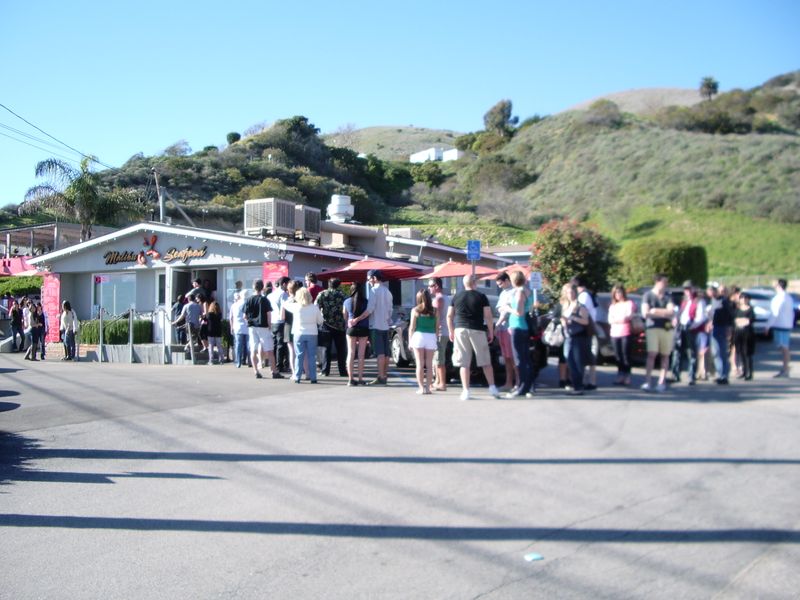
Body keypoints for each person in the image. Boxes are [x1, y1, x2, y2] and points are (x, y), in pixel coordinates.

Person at [447, 275, 499, 401]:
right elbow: (488, 316)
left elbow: (449, 316)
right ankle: (492, 388)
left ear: (464, 283)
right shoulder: (481, 296)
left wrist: (451, 331)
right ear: (474, 283)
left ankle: (466, 391)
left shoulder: (456, 296)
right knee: (485, 360)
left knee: (464, 362)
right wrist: (491, 332)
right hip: (477, 329)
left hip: (460, 329)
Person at [351, 270, 393, 386]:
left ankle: (380, 376)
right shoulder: (387, 291)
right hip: (385, 325)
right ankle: (384, 376)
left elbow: (369, 310)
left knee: (380, 353)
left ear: (374, 278)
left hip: (375, 325)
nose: (368, 281)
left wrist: (356, 319)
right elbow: (390, 310)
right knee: (386, 353)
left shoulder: (374, 291)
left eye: (369, 279)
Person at [641, 274, 675, 392]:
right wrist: (664, 313)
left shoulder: (668, 297)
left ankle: (661, 382)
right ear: (657, 282)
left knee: (665, 355)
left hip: (666, 328)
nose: (666, 284)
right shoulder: (648, 295)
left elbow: (671, 312)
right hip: (652, 327)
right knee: (652, 354)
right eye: (664, 282)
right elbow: (645, 313)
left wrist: (655, 310)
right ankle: (647, 381)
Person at [502, 270, 534, 398]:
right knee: (525, 358)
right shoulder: (528, 291)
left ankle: (522, 387)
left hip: (518, 327)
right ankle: (527, 386)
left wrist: (507, 308)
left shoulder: (520, 292)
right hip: (523, 327)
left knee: (520, 359)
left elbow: (519, 312)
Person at [243, 279, 283, 380]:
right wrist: (269, 326)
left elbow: (244, 316)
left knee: (253, 349)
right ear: (262, 288)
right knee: (269, 350)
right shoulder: (264, 300)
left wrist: (249, 322)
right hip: (263, 326)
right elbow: (268, 314)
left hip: (252, 327)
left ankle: (256, 371)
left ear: (253, 287)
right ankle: (274, 371)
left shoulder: (248, 300)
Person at [284, 287, 324, 383]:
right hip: (312, 333)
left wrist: (291, 298)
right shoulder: (314, 308)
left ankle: (297, 376)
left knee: (299, 356)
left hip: (298, 333)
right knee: (311, 356)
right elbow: (320, 321)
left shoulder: (295, 307)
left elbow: (285, 304)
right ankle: (313, 377)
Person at [672, 281, 707, 385]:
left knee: (691, 352)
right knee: (677, 351)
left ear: (694, 289)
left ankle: (691, 376)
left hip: (691, 329)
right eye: (685, 289)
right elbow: (680, 313)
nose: (687, 291)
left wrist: (691, 326)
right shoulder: (684, 300)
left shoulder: (699, 301)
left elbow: (700, 318)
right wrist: (676, 319)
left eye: (689, 289)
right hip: (680, 328)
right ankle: (675, 374)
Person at [560, 283, 591, 395]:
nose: (570, 295)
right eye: (568, 293)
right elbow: (563, 318)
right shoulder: (566, 305)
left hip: (578, 337)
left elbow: (585, 321)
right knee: (569, 360)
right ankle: (575, 385)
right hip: (568, 336)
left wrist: (573, 318)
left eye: (572, 292)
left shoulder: (580, 306)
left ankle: (578, 386)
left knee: (577, 362)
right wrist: (563, 321)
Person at [315, 278, 348, 377]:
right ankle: (342, 371)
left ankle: (325, 371)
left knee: (326, 349)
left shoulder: (322, 294)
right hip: (340, 325)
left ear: (329, 284)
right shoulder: (343, 295)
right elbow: (347, 309)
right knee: (341, 349)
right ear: (339, 285)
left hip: (326, 325)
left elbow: (316, 307)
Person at [408, 289, 439, 395]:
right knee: (429, 364)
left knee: (420, 364)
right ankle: (428, 388)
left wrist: (410, 341)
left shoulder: (415, 310)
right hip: (431, 336)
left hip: (419, 336)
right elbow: (437, 327)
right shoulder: (435, 311)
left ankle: (421, 388)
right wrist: (435, 339)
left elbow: (412, 327)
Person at [493, 272, 519, 393]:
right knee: (506, 357)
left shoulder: (514, 292)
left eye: (501, 283)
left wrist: (497, 325)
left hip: (510, 328)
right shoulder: (503, 293)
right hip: (503, 329)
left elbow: (506, 312)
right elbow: (499, 308)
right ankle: (508, 383)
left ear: (507, 280)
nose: (499, 286)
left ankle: (518, 383)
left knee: (513, 357)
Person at [572, 277, 598, 390]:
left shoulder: (584, 296)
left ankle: (591, 381)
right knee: (585, 356)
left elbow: (581, 312)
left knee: (588, 356)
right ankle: (586, 380)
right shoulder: (586, 295)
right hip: (584, 329)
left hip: (586, 330)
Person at [765, 278, 794, 378]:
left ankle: (786, 369)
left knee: (783, 347)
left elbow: (774, 313)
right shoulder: (788, 297)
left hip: (780, 325)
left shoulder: (778, 298)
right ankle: (786, 368)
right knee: (784, 347)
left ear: (779, 286)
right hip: (786, 325)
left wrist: (768, 326)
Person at [608, 284, 636, 386]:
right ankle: (620, 374)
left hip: (625, 332)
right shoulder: (613, 306)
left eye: (619, 292)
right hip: (614, 333)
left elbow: (628, 316)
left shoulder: (629, 303)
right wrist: (620, 319)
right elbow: (610, 320)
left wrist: (619, 319)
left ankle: (627, 375)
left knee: (626, 355)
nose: (618, 295)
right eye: (616, 293)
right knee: (618, 356)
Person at [343, 282, 370, 386]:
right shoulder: (366, 302)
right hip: (363, 328)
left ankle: (350, 379)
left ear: (351, 290)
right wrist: (358, 320)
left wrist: (349, 322)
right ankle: (360, 379)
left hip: (351, 329)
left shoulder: (346, 301)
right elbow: (368, 314)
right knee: (361, 355)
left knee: (350, 353)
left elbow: (345, 315)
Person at [428, 277, 452, 392]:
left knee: (439, 359)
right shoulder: (446, 298)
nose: (429, 288)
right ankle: (437, 381)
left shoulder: (438, 299)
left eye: (430, 286)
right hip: (444, 331)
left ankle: (442, 383)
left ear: (436, 286)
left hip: (440, 332)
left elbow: (435, 318)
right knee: (437, 358)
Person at [708, 284, 734, 384]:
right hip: (714, 328)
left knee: (722, 352)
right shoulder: (711, 301)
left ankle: (724, 375)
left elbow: (729, 315)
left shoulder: (724, 301)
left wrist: (729, 328)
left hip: (722, 328)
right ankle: (719, 374)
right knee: (716, 353)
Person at [268, 276, 291, 373]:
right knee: (281, 345)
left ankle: (273, 365)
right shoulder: (283, 294)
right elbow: (285, 307)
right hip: (281, 321)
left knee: (274, 344)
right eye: (288, 284)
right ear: (284, 284)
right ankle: (279, 366)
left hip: (273, 321)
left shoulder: (271, 295)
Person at [734, 292, 756, 380]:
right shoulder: (737, 309)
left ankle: (749, 373)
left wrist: (742, 321)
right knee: (740, 352)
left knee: (747, 353)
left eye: (745, 298)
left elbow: (750, 320)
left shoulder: (751, 309)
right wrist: (741, 321)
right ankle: (743, 371)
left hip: (748, 333)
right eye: (742, 298)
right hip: (738, 333)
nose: (743, 300)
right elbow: (735, 320)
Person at [229, 291, 248, 368]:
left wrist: (231, 327)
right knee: (247, 345)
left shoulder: (234, 305)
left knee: (238, 345)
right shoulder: (247, 304)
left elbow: (231, 318)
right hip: (247, 327)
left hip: (237, 327)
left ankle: (238, 361)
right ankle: (248, 361)